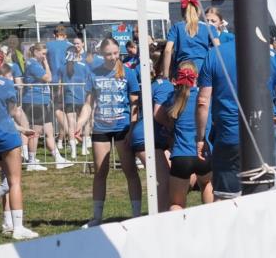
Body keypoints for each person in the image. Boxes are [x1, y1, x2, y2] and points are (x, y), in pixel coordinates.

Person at [195, 38, 276, 199]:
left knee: (226, 200)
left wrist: (201, 138)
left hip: (228, 136)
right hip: (264, 137)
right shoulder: (272, 55)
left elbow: (203, 101)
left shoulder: (215, 54)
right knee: (265, 196)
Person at [73, 37, 143, 227]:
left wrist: (132, 128)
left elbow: (134, 102)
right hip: (101, 128)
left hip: (123, 127)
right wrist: (79, 123)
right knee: (100, 172)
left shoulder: (128, 73)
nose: (112, 57)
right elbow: (88, 104)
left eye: (115, 53)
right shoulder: (94, 73)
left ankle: (136, 214)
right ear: (101, 55)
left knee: (130, 170)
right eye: (108, 54)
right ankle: (97, 217)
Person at [0, 49, 39, 240]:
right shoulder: (7, 84)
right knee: (14, 182)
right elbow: (11, 113)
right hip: (8, 139)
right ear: (1, 64)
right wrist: (21, 128)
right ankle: (17, 227)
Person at [158, 62, 212, 210]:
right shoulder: (206, 98)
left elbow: (164, 118)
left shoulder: (173, 99)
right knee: (206, 184)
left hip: (181, 155)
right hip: (203, 154)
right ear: (197, 77)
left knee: (176, 204)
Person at [129, 43, 173, 212]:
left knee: (166, 178)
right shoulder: (164, 85)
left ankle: (164, 212)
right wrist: (174, 127)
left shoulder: (154, 84)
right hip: (148, 138)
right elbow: (158, 114)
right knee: (163, 179)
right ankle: (161, 216)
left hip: (149, 136)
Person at [22, 43, 72, 170]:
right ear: (36, 52)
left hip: (43, 100)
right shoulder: (33, 64)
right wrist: (47, 64)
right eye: (43, 53)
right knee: (35, 132)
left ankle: (58, 158)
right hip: (35, 101)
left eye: (46, 54)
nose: (45, 56)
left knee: (49, 131)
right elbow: (48, 78)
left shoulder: (37, 64)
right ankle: (32, 162)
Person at [163, 0, 218, 77]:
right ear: (198, 11)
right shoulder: (209, 28)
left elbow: (167, 50)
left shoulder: (176, 27)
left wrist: (165, 74)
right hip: (203, 68)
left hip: (182, 68)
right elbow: (218, 49)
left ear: (182, 12)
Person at [62, 46, 92, 159]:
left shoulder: (62, 67)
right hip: (83, 98)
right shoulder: (84, 66)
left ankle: (73, 152)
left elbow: (60, 84)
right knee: (85, 123)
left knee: (71, 124)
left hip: (69, 98)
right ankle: (84, 148)